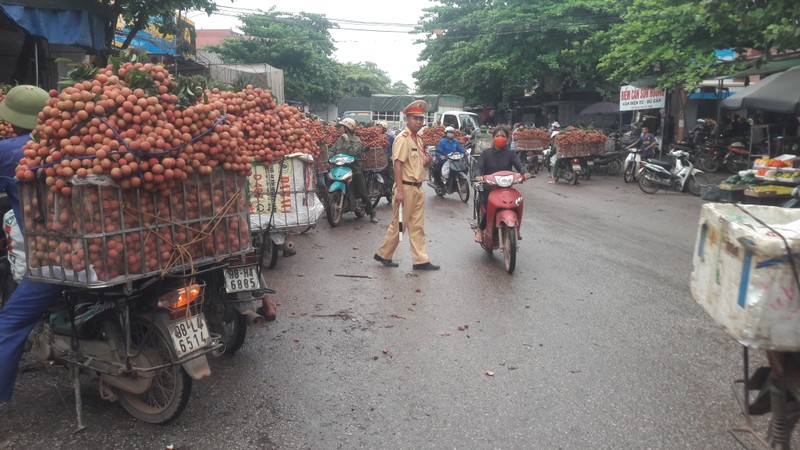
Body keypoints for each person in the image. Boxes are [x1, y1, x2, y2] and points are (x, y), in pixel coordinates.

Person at [0, 85, 61, 403]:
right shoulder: (71, 143)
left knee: (8, 324)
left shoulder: (7, 151)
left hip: (53, 257)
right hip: (102, 250)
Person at [374, 100, 439, 270]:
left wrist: (428, 162)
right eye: (415, 118)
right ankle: (383, 254)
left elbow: (417, 164)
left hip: (418, 187)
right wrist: (400, 191)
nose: (419, 121)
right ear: (407, 119)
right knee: (400, 224)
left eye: (421, 119)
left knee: (417, 226)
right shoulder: (402, 139)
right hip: (406, 188)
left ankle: (420, 260)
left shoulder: (417, 139)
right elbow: (398, 165)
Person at [473, 127, 531, 243]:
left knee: (517, 202)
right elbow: (479, 167)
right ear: (493, 138)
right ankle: (480, 229)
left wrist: (525, 172)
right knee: (489, 208)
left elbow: (519, 165)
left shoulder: (510, 153)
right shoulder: (486, 153)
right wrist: (478, 176)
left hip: (506, 188)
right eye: (497, 135)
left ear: (507, 139)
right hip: (490, 187)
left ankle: (516, 229)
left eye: (503, 136)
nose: (500, 138)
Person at [330, 118, 378, 223]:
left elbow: (352, 152)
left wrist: (347, 140)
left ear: (347, 129)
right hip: (340, 168)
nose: (339, 129)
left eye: (341, 127)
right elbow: (332, 150)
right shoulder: (339, 139)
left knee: (362, 192)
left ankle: (372, 212)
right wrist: (329, 156)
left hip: (354, 170)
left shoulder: (357, 141)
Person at [376, 121, 395, 187]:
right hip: (376, 161)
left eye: (379, 127)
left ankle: (393, 188)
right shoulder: (374, 137)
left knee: (391, 173)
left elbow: (393, 150)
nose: (377, 128)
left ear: (384, 128)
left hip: (387, 160)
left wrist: (389, 156)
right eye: (377, 127)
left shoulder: (390, 138)